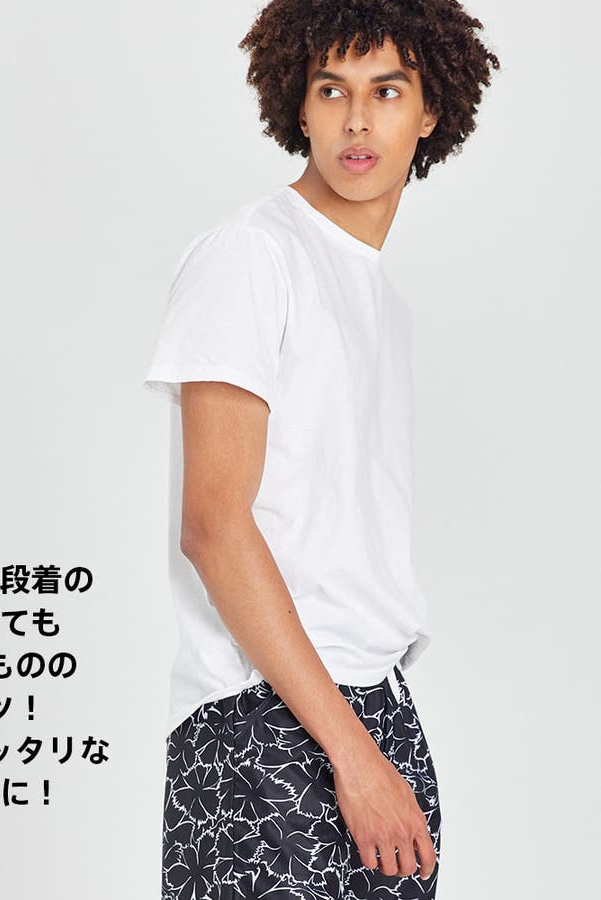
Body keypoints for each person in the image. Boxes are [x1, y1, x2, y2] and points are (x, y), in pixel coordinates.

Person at [142, 2, 500, 898]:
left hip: (373, 707)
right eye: (331, 90)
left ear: (431, 109)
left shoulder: (382, 302)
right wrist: (353, 753)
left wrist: (378, 744)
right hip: (264, 719)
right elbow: (215, 524)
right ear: (297, 107)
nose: (357, 120)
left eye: (388, 91)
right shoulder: (253, 255)